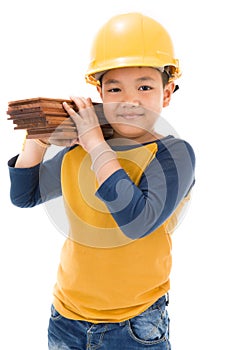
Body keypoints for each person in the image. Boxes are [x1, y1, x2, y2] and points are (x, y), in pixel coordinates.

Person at [8, 12, 195, 350]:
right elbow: (25, 194)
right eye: (114, 88)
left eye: (145, 87)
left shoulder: (173, 154)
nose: (129, 100)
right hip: (66, 318)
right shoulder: (82, 149)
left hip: (134, 325)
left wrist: (95, 143)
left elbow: (137, 220)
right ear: (99, 92)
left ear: (167, 93)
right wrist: (40, 136)